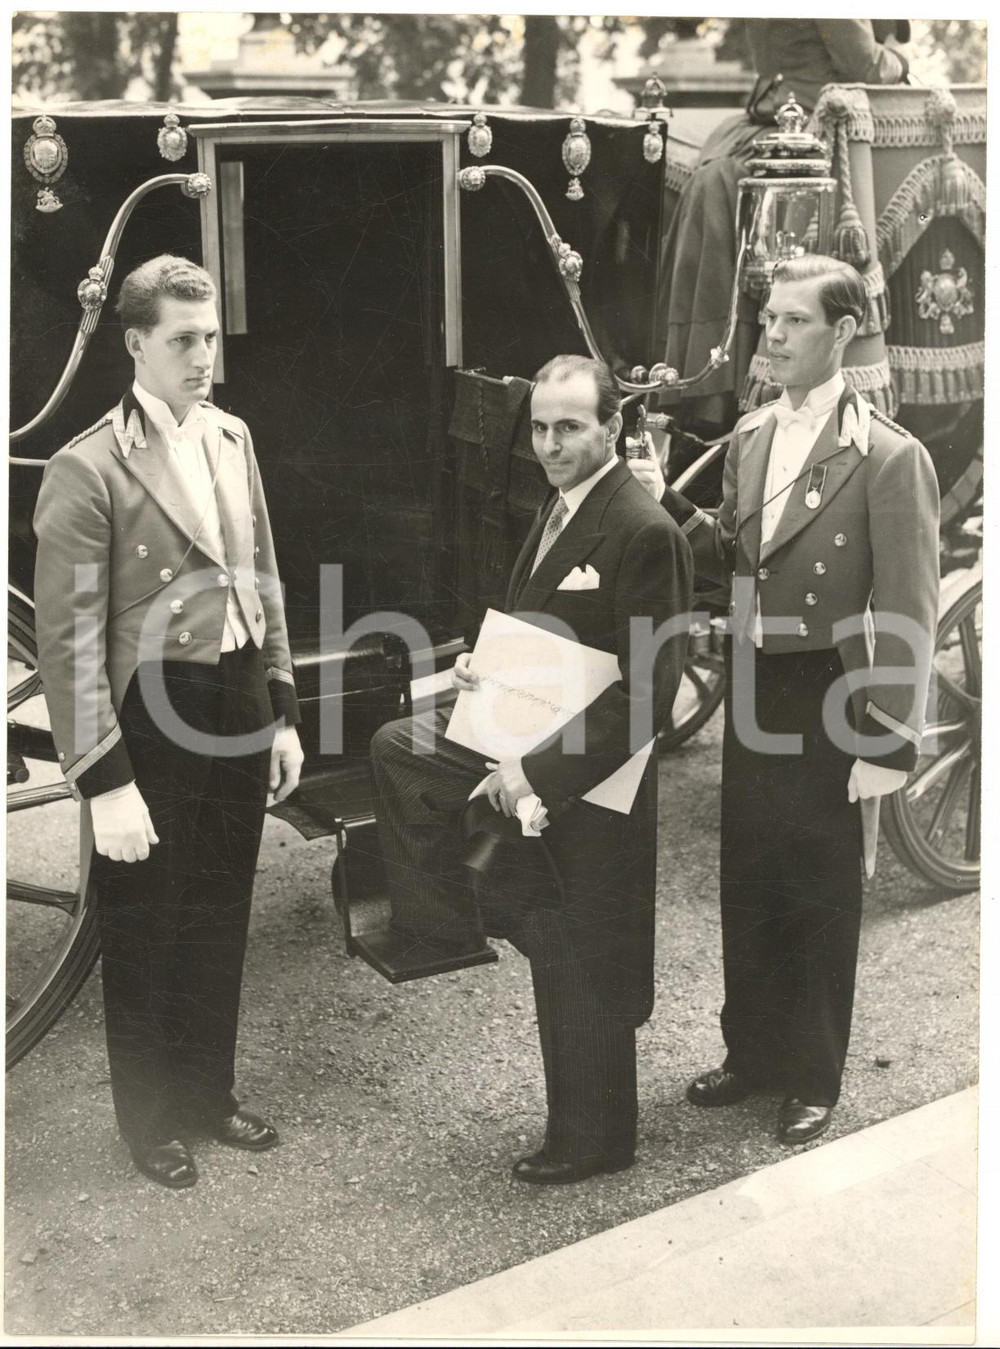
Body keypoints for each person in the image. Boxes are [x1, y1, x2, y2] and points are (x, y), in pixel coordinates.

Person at [631, 255, 939, 1143]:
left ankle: (813, 1070)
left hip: (834, 688)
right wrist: (666, 508)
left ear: (842, 334)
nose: (771, 334)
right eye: (768, 318)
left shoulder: (888, 456)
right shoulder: (756, 433)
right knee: (751, 870)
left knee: (820, 883)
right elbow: (735, 550)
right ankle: (754, 1051)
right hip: (757, 677)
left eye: (794, 321)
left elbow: (912, 605)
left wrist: (886, 743)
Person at [370, 355, 694, 1183]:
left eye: (571, 427)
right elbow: (538, 625)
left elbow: (647, 698)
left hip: (590, 771)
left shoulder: (643, 529)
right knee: (400, 749)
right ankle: (456, 918)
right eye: (541, 427)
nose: (550, 444)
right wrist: (486, 670)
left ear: (612, 429)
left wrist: (532, 777)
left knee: (578, 948)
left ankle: (594, 1140)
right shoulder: (558, 506)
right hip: (527, 725)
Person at [33, 255, 304, 1190]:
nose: (202, 356)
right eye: (183, 339)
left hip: (232, 697)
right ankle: (149, 1119)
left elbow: (261, 579)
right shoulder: (88, 467)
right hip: (150, 713)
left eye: (210, 336)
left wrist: (281, 713)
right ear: (137, 343)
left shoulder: (231, 437)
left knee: (222, 903)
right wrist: (102, 779)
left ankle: (206, 1091)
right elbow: (65, 644)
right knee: (147, 919)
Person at [659, 19, 910, 437]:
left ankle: (712, 385)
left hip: (760, 115)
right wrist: (900, 62)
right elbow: (864, 63)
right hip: (809, 122)